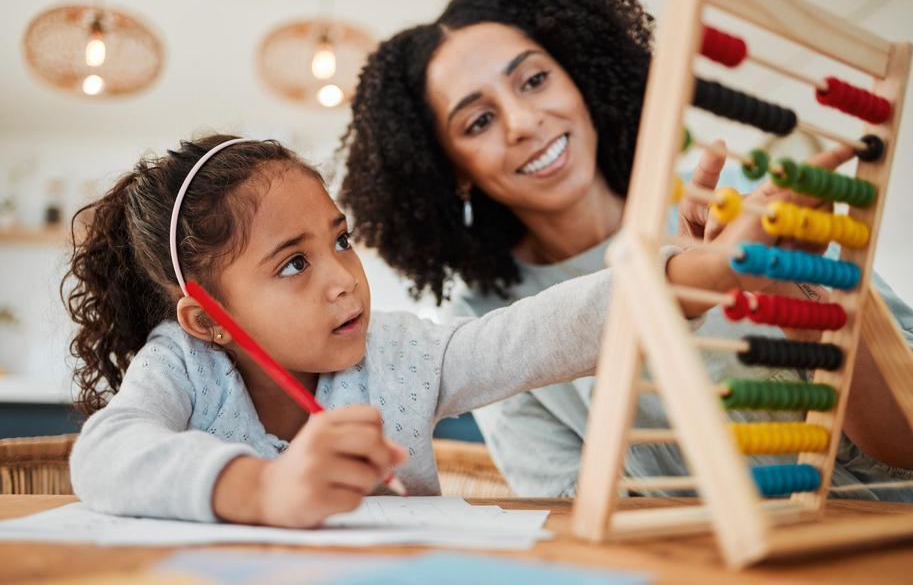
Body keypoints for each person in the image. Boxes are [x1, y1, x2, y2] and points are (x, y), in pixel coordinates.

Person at [339, 0, 913, 499]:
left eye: (534, 80)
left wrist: (790, 287)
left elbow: (905, 443)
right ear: (451, 170)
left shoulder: (743, 196)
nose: (524, 122)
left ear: (581, 78)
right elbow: (568, 507)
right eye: (479, 121)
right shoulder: (484, 317)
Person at [63, 133, 762, 527]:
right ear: (206, 320)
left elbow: (533, 333)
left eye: (339, 241)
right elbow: (104, 456)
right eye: (293, 264)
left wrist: (689, 275)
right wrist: (260, 490)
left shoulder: (401, 354)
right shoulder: (182, 365)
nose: (341, 277)